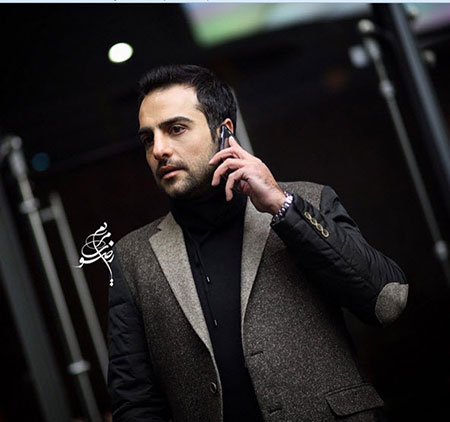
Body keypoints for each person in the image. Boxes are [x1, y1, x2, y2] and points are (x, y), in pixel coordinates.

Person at [107, 64, 408, 422]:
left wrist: (284, 208)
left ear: (224, 131)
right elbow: (134, 399)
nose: (159, 149)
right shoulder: (132, 258)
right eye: (148, 139)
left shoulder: (309, 201)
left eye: (176, 129)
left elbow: (387, 302)